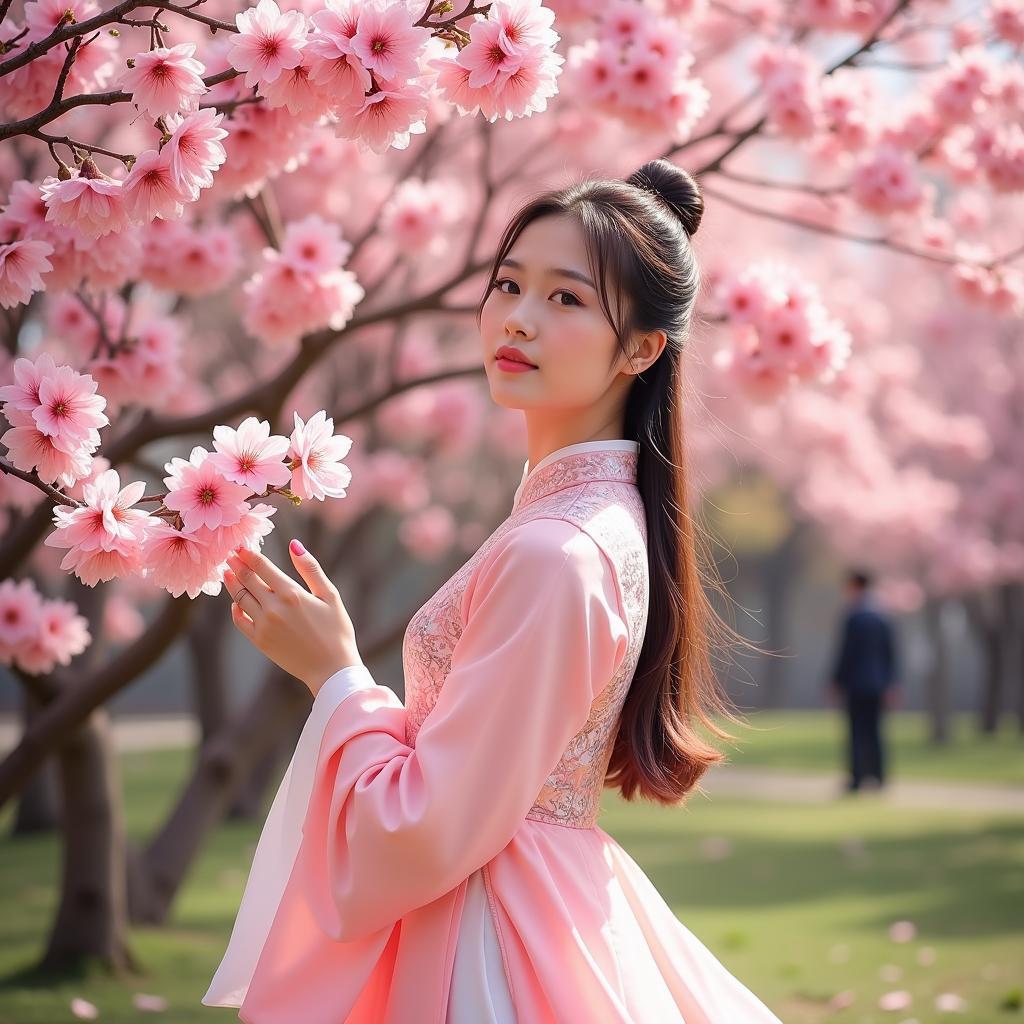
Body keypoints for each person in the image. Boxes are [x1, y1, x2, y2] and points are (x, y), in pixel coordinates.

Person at [203, 160, 784, 1022]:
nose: (517, 319)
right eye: (509, 284)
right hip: (531, 899)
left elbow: (430, 827)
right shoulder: (579, 519)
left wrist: (336, 678)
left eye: (566, 300)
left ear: (642, 348)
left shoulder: (560, 550)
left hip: (489, 930)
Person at [828, 569, 901, 793]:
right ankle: (878, 777)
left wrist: (836, 680)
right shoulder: (883, 616)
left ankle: (858, 777)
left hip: (856, 684)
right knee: (876, 731)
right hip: (878, 684)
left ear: (855, 585)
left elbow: (846, 653)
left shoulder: (854, 616)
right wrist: (892, 683)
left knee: (857, 731)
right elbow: (891, 653)